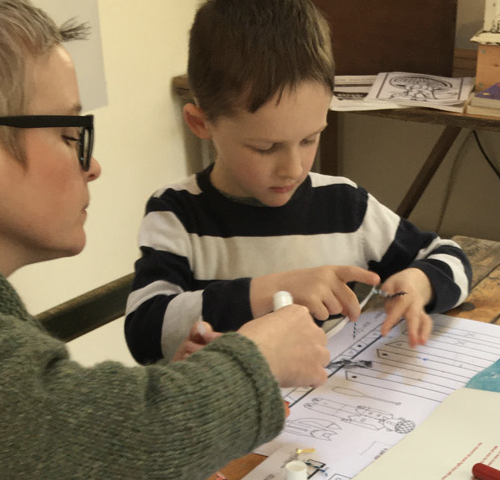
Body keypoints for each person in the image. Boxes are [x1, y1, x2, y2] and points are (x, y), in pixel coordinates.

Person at [0, 0, 330, 478]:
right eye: (70, 136)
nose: (94, 166)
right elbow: (84, 446)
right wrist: (254, 365)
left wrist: (181, 390)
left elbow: (34, 426)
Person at [124, 0, 473, 365]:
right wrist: (271, 290)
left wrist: (419, 283)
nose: (292, 168)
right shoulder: (177, 213)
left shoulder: (344, 206)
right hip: (225, 413)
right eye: (265, 147)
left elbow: (450, 256)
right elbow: (144, 332)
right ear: (201, 124)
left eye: (309, 139)